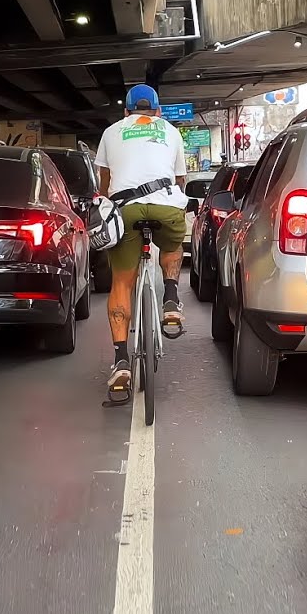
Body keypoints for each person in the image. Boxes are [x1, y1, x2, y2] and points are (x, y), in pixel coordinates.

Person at [95, 84, 190, 399]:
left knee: (121, 282)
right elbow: (180, 181)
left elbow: (104, 185)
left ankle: (122, 359)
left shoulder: (111, 132)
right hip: (165, 208)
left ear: (126, 112)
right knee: (173, 245)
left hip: (126, 211)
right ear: (159, 111)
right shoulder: (171, 131)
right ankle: (171, 299)